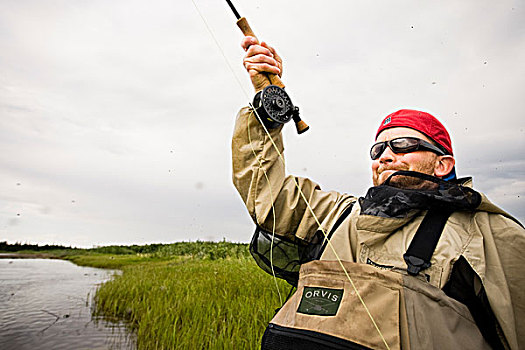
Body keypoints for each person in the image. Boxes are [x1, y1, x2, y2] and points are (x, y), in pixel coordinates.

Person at [232, 36, 525, 349]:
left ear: (442, 165)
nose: (385, 156)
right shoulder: (339, 214)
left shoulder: (488, 233)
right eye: (378, 149)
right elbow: (265, 191)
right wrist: (269, 101)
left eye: (402, 146)